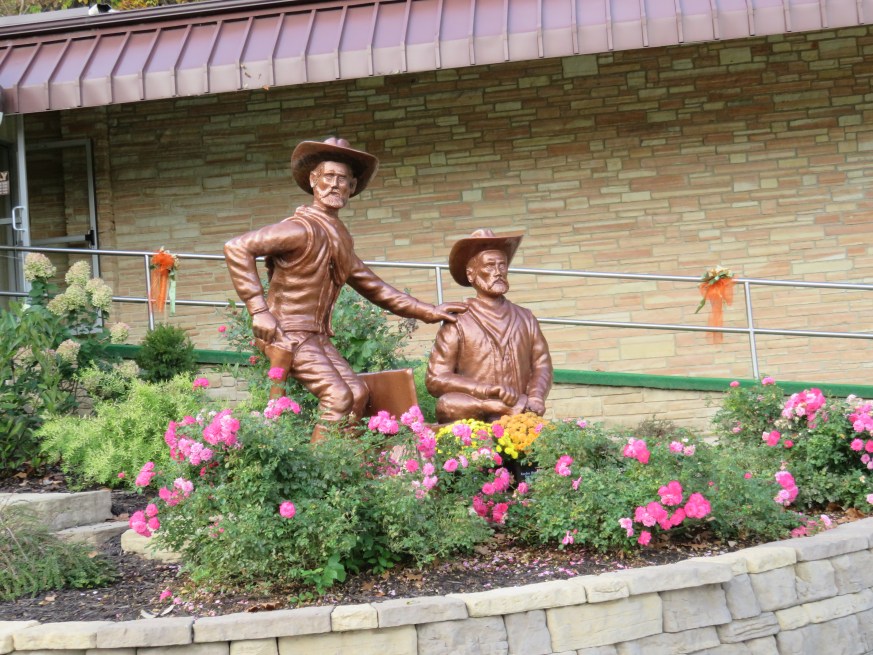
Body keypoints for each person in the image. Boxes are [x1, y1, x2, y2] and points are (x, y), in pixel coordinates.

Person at [224, 137, 465, 438]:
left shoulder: (339, 237)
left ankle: (345, 468)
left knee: (357, 394)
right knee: (338, 397)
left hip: (316, 336)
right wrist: (258, 309)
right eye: (328, 177)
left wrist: (430, 311)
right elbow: (237, 247)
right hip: (287, 333)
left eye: (343, 179)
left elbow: (375, 287)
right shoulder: (299, 228)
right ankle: (319, 476)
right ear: (314, 180)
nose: (335, 185)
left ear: (352, 187)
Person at [426, 229, 552, 423]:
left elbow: (542, 364)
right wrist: (485, 390)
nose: (498, 272)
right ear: (471, 274)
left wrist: (536, 396)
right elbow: (436, 379)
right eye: (490, 265)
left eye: (502, 265)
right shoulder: (458, 321)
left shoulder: (525, 318)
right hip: (473, 417)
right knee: (447, 403)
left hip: (519, 412)